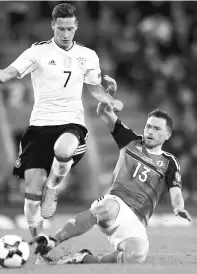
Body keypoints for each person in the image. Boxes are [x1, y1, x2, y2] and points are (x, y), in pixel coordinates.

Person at [0, 3, 122, 260]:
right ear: (53, 26)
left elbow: (95, 89)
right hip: (39, 127)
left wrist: (109, 99)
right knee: (31, 195)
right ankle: (40, 248)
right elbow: (6, 75)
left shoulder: (88, 55)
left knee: (63, 150)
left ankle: (53, 186)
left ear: (76, 27)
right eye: (61, 28)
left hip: (71, 124)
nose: (66, 34)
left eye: (70, 28)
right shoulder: (37, 52)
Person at [35, 76, 192, 265]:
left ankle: (82, 258)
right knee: (108, 207)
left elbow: (176, 192)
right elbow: (103, 111)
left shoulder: (169, 162)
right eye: (148, 126)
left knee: (136, 256)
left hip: (137, 219)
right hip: (115, 202)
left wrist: (178, 207)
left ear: (167, 135)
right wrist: (109, 95)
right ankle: (52, 241)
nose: (150, 131)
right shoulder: (131, 141)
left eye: (157, 129)